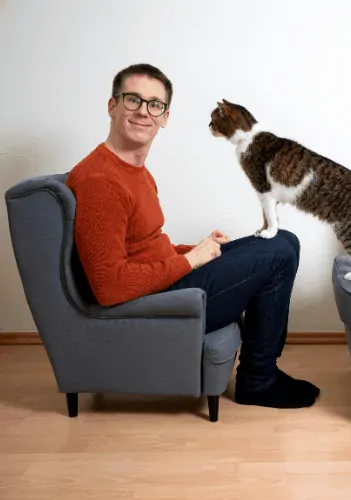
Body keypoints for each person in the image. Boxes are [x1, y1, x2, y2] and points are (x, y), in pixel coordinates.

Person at [66, 63, 319, 409]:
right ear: (112, 106)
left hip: (161, 283)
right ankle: (258, 380)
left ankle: (263, 372)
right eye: (132, 100)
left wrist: (198, 248)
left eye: (154, 104)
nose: (144, 111)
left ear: (165, 117)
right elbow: (110, 286)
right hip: (152, 301)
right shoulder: (100, 180)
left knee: (284, 241)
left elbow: (142, 245)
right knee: (278, 253)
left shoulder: (134, 171)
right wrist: (191, 260)